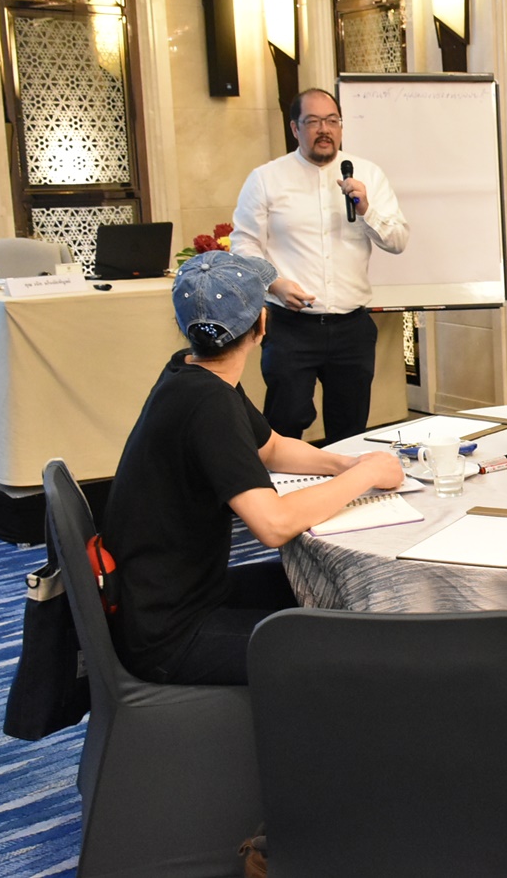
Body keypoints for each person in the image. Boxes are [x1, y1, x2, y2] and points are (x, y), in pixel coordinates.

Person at [103, 251, 404, 686]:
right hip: (171, 634)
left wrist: (348, 464)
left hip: (170, 597)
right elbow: (273, 525)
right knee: (361, 652)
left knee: (338, 583)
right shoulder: (209, 403)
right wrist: (367, 476)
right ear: (262, 324)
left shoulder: (190, 372)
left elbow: (271, 447)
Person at [231, 87, 409, 442]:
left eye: (331, 121)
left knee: (350, 430)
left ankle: (344, 479)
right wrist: (274, 283)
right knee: (284, 423)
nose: (324, 129)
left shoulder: (368, 175)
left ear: (341, 126)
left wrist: (366, 209)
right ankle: (279, 480)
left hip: (352, 328)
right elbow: (244, 243)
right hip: (290, 327)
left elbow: (397, 241)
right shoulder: (266, 178)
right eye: (313, 121)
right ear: (295, 128)